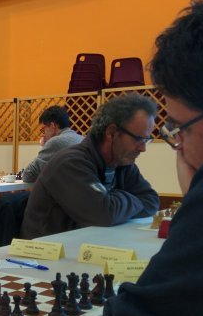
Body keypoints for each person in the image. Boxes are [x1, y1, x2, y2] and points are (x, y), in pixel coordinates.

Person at [94, 3, 203, 316]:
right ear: (113, 133)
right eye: (141, 139)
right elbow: (110, 209)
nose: (152, 146)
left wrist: (194, 192)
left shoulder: (127, 165)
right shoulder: (72, 161)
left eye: (178, 128)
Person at [20, 94, 160, 239]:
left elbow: (151, 200)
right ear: (111, 133)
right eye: (138, 139)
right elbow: (104, 214)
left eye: (146, 140)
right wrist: (130, 200)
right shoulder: (71, 163)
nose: (143, 148)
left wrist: (113, 200)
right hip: (48, 249)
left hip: (92, 244)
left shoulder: (122, 163)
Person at [21, 106, 83, 183]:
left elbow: (28, 175)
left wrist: (45, 146)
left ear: (52, 126)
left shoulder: (55, 142)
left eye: (43, 129)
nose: (43, 134)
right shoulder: (82, 139)